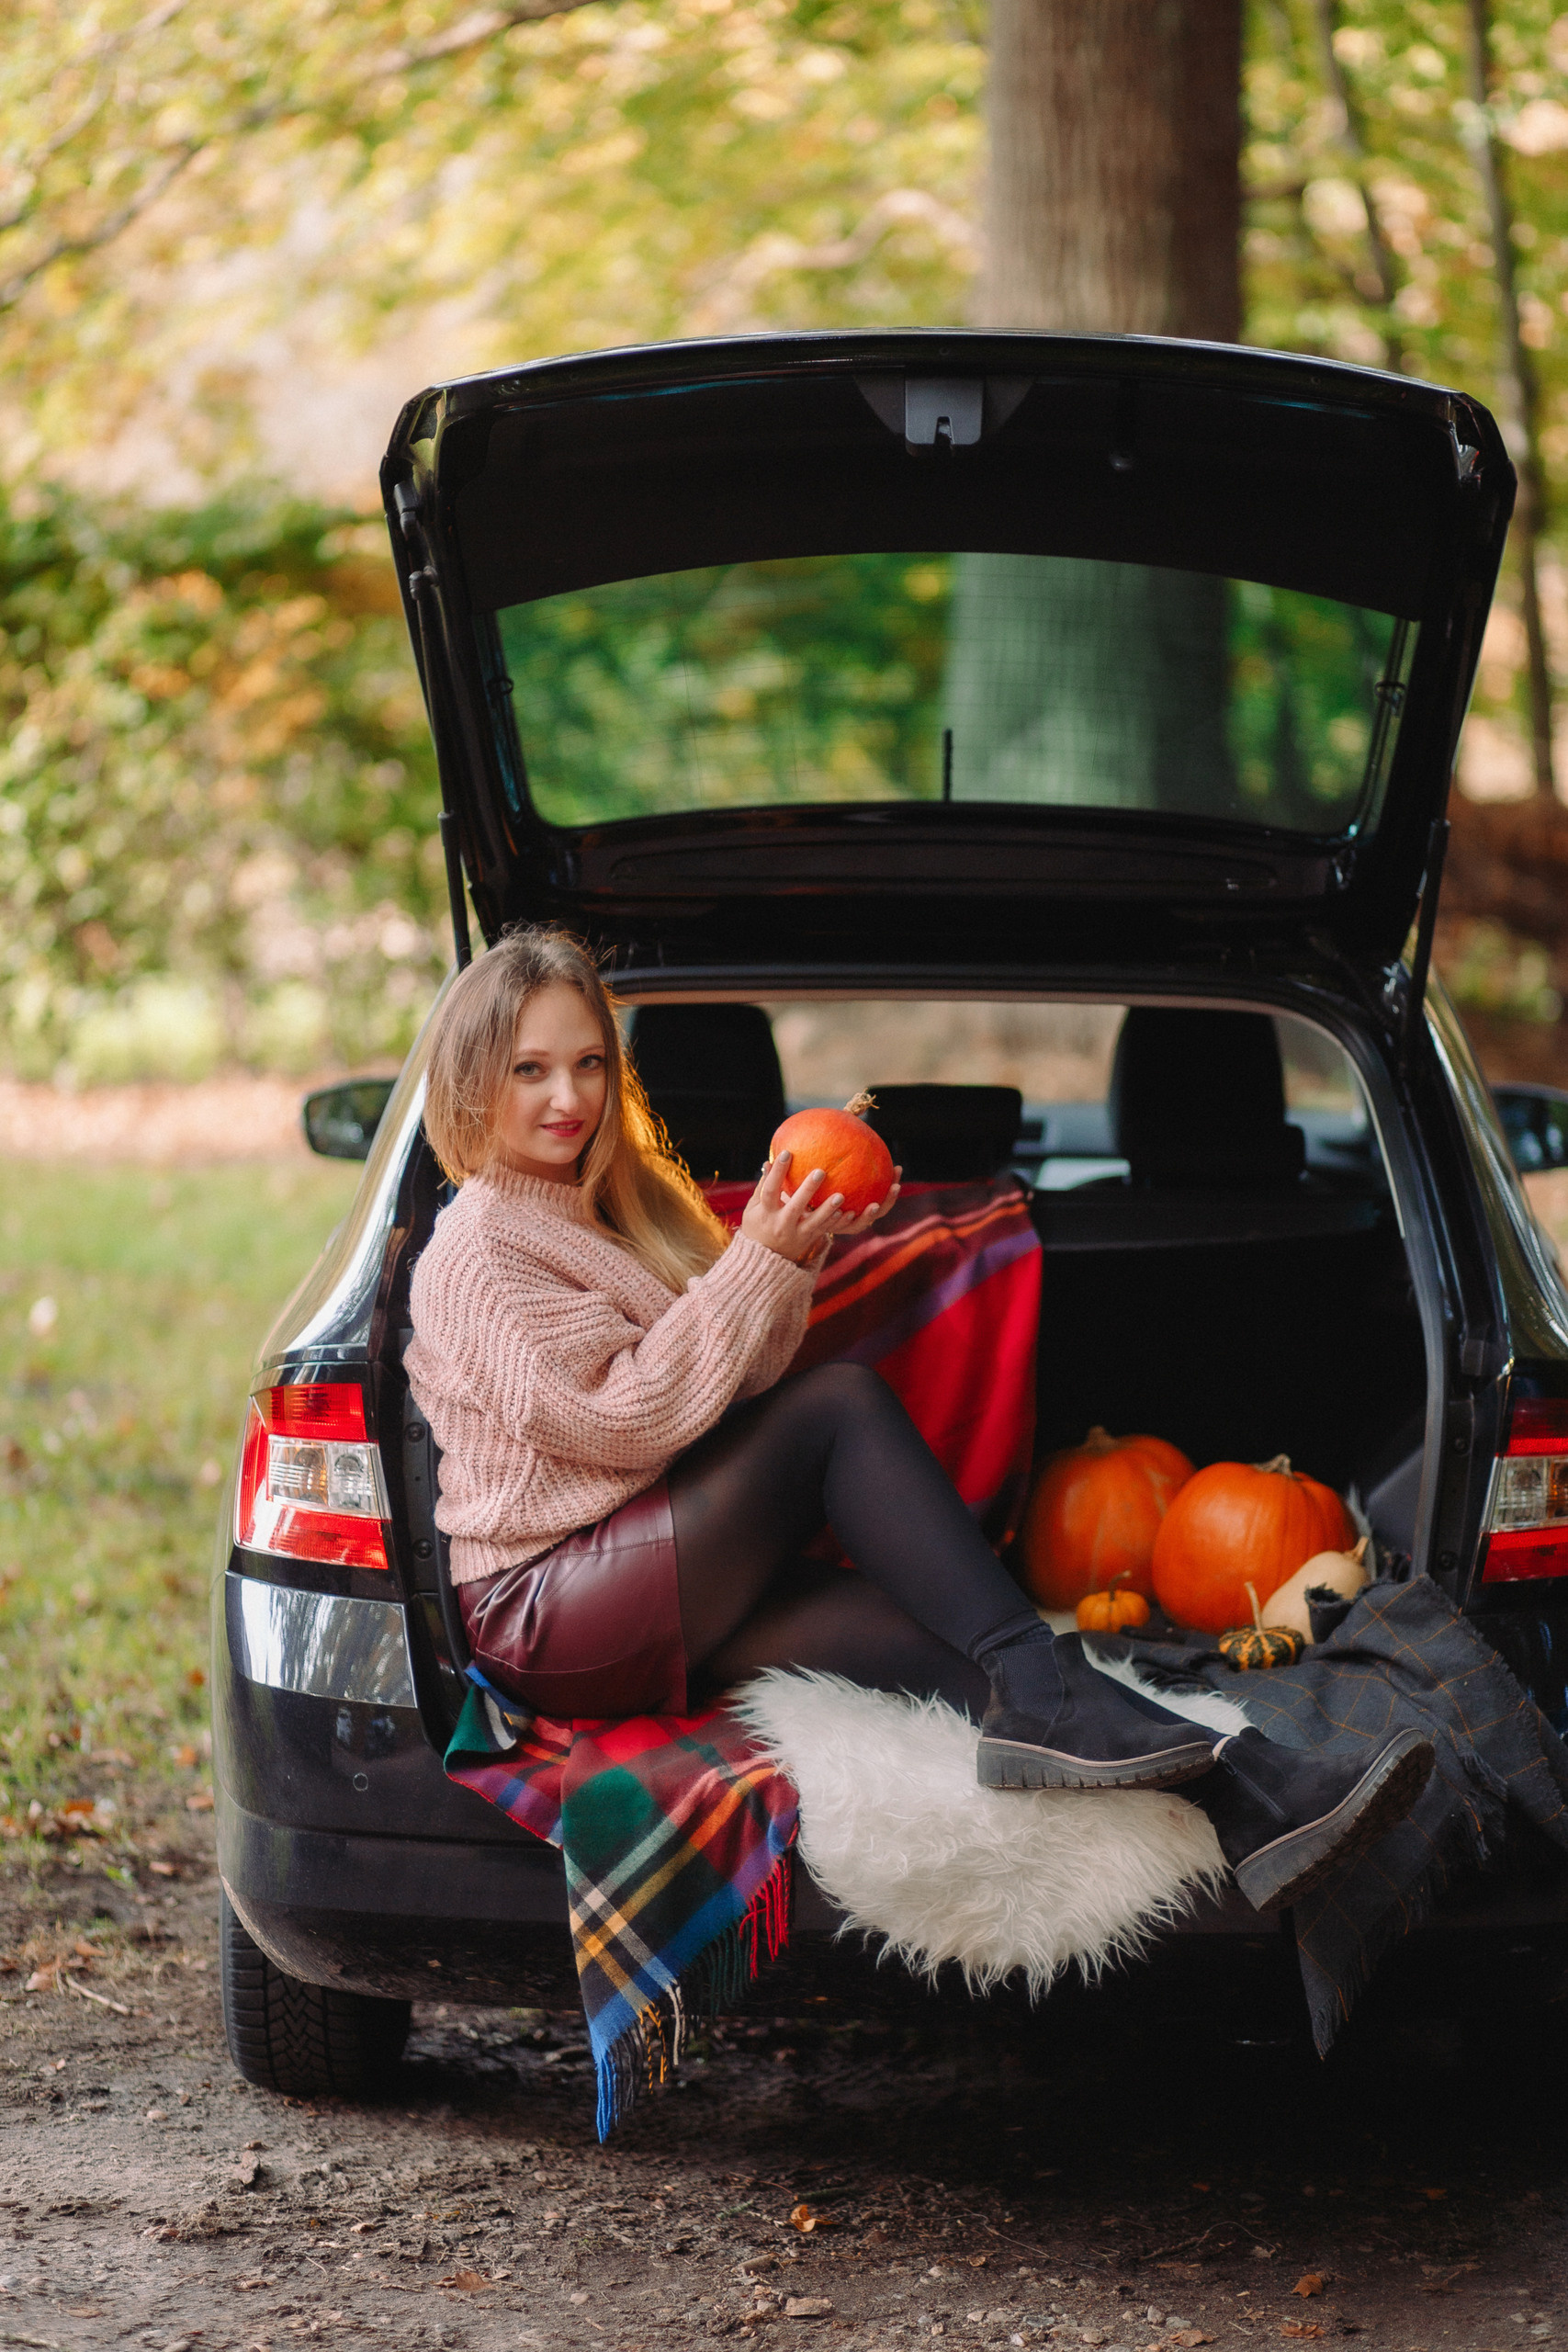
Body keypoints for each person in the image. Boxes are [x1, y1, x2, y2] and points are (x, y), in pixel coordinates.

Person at [404, 926, 1433, 1914]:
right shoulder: (481, 1250)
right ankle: (1058, 1697)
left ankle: (1260, 1795)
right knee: (840, 1405)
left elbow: (731, 1379)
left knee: (958, 1650)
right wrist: (755, 1261)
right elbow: (620, 1420)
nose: (569, 1097)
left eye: (588, 1063)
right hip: (548, 1605)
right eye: (530, 1070)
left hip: (637, 1565)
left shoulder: (598, 1208)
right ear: (471, 1082)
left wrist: (785, 1254)